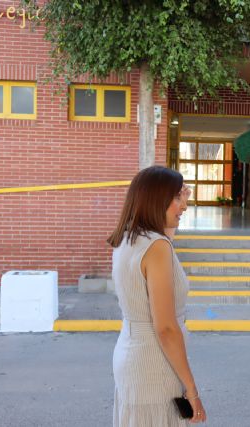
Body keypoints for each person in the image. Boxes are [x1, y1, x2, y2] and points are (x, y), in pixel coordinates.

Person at [107, 166, 206, 426]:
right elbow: (165, 328)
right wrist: (192, 390)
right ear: (157, 200)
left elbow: (165, 239)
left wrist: (176, 204)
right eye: (177, 198)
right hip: (155, 365)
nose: (184, 205)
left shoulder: (130, 237)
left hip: (133, 357)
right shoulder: (156, 247)